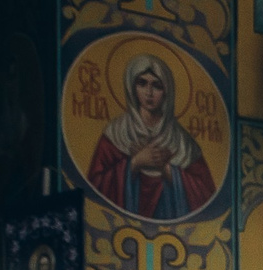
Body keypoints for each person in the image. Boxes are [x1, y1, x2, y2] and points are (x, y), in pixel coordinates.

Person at [83, 53, 216, 220]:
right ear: (132, 87)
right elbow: (94, 187)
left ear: (167, 91)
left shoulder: (182, 141)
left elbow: (206, 195)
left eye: (157, 85)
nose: (149, 92)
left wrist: (168, 170)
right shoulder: (117, 133)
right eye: (142, 83)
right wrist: (136, 163)